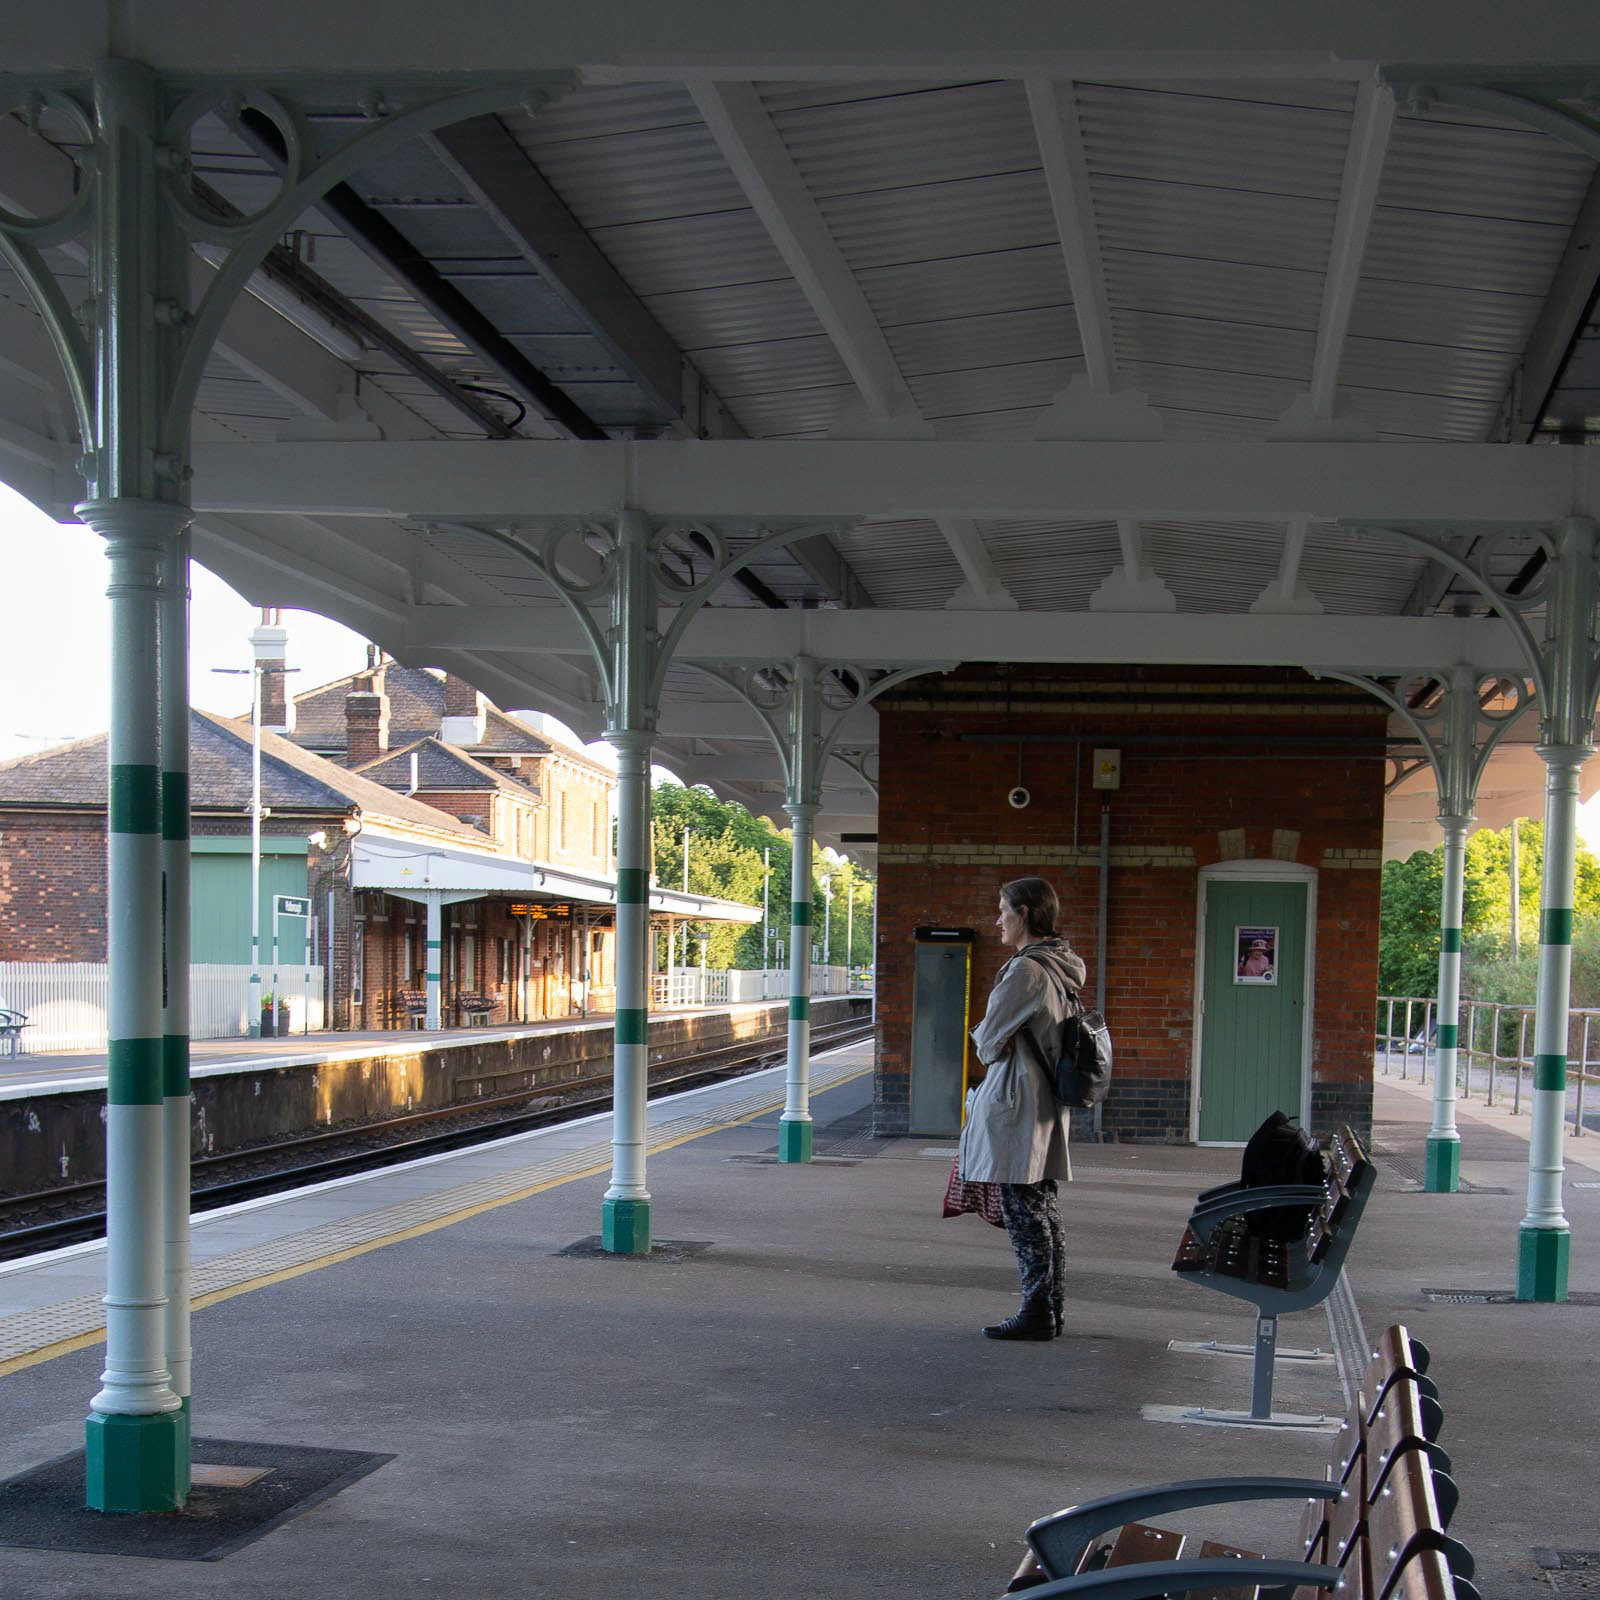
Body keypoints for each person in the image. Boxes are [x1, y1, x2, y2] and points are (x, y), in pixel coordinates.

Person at [957, 876, 1087, 1341]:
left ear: (1025, 913)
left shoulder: (1027, 971)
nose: (998, 919)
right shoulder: (1062, 966)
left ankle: (1036, 1311)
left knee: (1023, 1209)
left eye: (1003, 909)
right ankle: (1050, 1305)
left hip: (1018, 1101)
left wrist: (989, 1035)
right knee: (1043, 1206)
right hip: (1045, 1099)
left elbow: (988, 1043)